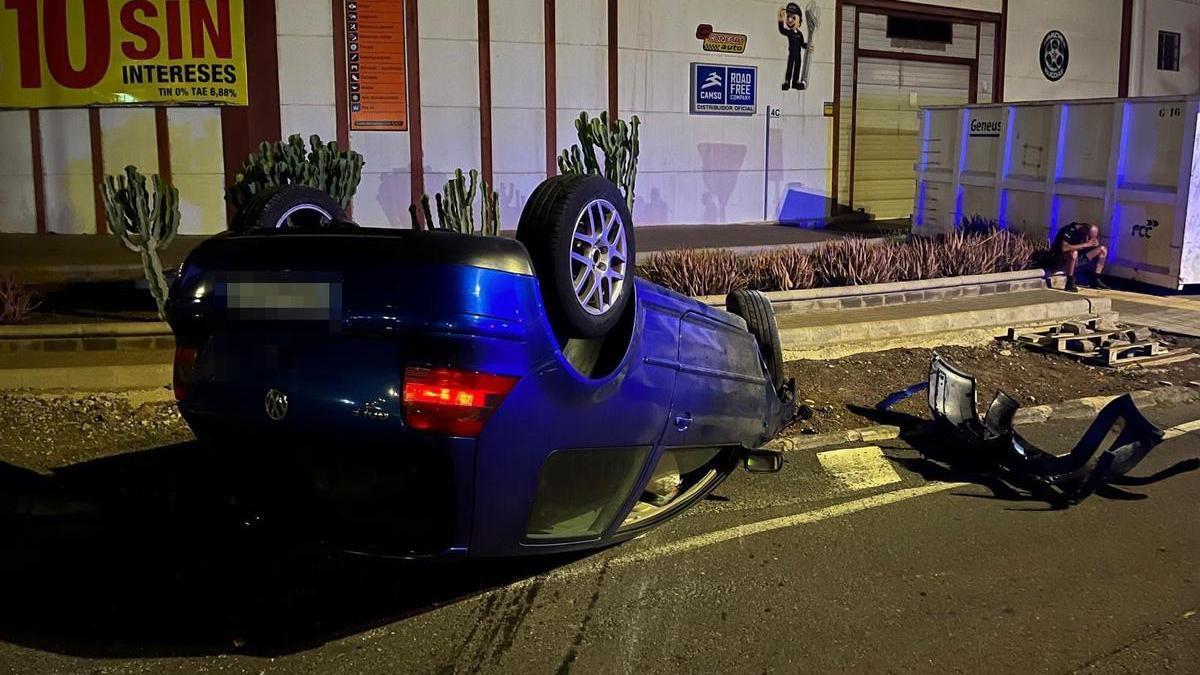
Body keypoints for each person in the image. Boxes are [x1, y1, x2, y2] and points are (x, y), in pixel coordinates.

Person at [1054, 221, 1109, 292]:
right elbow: (1064, 248)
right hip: (1063, 258)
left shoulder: (1085, 235)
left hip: (1078, 259)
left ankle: (1095, 279)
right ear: (1084, 230)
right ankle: (1069, 281)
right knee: (1074, 253)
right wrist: (1085, 244)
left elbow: (1088, 245)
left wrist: (1094, 244)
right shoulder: (1069, 230)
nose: (1088, 239)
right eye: (1089, 237)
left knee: (1103, 249)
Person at [778, 3, 807, 91]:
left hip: (798, 54)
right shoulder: (789, 33)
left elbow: (802, 44)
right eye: (788, 17)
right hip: (792, 54)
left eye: (793, 18)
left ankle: (795, 83)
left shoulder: (799, 34)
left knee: (797, 67)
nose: (790, 20)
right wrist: (780, 20)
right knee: (790, 66)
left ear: (799, 21)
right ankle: (787, 82)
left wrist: (808, 46)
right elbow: (782, 30)